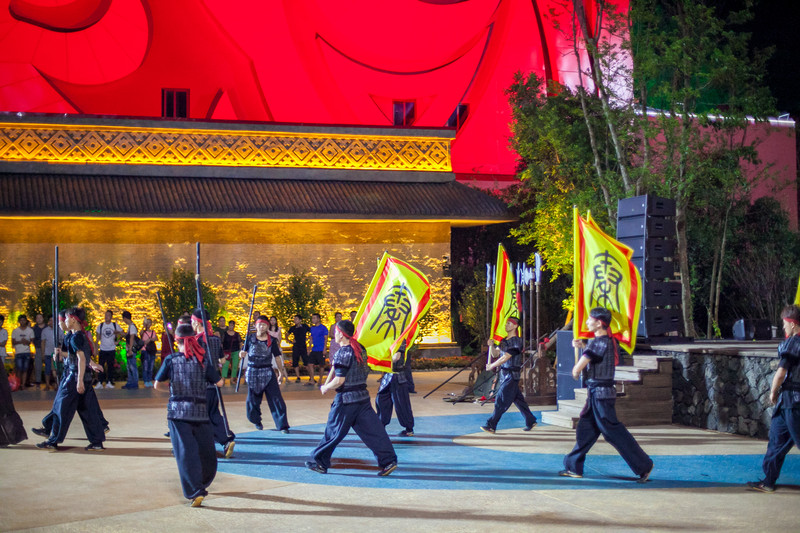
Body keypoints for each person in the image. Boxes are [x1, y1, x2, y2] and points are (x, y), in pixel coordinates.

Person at [559, 307, 653, 482]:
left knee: (611, 431)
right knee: (585, 429)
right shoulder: (602, 342)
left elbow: (587, 358)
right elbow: (593, 353)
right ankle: (573, 466)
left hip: (601, 394)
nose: (587, 321)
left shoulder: (601, 341)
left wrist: (576, 368)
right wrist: (583, 345)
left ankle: (644, 464)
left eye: (590, 319)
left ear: (599, 323)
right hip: (597, 393)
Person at [306, 319, 397, 476]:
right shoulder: (359, 348)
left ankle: (319, 462)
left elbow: (340, 380)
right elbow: (337, 367)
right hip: (362, 398)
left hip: (346, 401)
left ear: (341, 335)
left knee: (333, 432)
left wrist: (327, 386)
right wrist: (327, 379)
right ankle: (388, 460)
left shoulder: (344, 352)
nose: (334, 334)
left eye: (336, 332)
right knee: (374, 431)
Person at [154, 323, 224, 507]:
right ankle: (201, 483)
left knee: (186, 453)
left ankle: (196, 489)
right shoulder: (203, 360)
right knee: (206, 452)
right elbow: (220, 383)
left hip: (177, 413)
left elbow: (157, 384)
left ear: (176, 341)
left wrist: (172, 391)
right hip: (200, 412)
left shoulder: (171, 360)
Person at [35, 307, 106, 451]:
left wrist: (79, 381)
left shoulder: (76, 337)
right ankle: (97, 442)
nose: (65, 321)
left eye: (66, 318)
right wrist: (91, 365)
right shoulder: (79, 336)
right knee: (88, 411)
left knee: (61, 408)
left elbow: (80, 359)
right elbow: (83, 357)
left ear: (73, 320)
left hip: (74, 378)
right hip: (82, 377)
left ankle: (52, 440)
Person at [747, 304, 800, 493]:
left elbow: (781, 373)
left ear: (793, 324)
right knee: (776, 440)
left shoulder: (794, 343)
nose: (784, 327)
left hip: (794, 402)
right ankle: (768, 481)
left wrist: (772, 392)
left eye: (785, 323)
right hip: (787, 403)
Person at [480, 317, 537, 433]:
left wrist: (492, 366)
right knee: (519, 400)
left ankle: (491, 424)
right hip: (504, 374)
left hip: (512, 375)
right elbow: (496, 354)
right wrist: (491, 345)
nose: (506, 325)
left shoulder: (517, 341)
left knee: (501, 400)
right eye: (506, 323)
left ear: (515, 326)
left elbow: (506, 357)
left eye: (509, 323)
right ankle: (530, 420)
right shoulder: (503, 341)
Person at [192, 308, 235, 458]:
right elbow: (222, 360)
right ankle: (225, 440)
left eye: (192, 322)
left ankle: (201, 445)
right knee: (214, 413)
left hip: (200, 384)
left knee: (199, 416)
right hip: (214, 384)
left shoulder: (195, 341)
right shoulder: (216, 339)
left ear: (197, 324)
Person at [240, 315, 289, 432]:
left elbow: (277, 357)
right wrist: (241, 353)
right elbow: (243, 351)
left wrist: (281, 372)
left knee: (277, 399)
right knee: (252, 401)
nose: (262, 327)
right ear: (255, 325)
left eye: (264, 325)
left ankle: (283, 425)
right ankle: (256, 420)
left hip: (268, 371)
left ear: (267, 326)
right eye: (260, 324)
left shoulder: (271, 340)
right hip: (253, 372)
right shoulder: (250, 338)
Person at [375, 340, 415, 436]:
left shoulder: (400, 339)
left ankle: (409, 429)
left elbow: (396, 357)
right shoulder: (387, 338)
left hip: (397, 376)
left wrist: (382, 360)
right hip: (387, 375)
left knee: (401, 404)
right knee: (381, 400)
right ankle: (381, 426)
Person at [95, 310, 122, 389]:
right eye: (105, 315)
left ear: (111, 317)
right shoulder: (100, 325)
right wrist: (96, 348)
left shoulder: (114, 325)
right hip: (103, 349)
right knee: (100, 366)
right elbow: (97, 338)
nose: (106, 317)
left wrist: (118, 340)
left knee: (110, 366)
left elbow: (123, 333)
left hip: (111, 349)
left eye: (108, 315)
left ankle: (109, 381)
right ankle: (100, 382)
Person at [11, 315, 34, 391]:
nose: (22, 322)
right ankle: (18, 384)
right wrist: (20, 341)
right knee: (19, 369)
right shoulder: (15, 331)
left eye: (24, 320)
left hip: (26, 352)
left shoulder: (30, 330)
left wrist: (27, 342)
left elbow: (31, 341)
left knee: (25, 369)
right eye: (21, 320)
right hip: (18, 352)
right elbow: (13, 341)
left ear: (26, 321)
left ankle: (23, 384)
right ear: (19, 321)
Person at [287, 315, 312, 384]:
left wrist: (308, 338)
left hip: (303, 346)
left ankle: (311, 377)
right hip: (296, 346)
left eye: (296, 319)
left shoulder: (304, 326)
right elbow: (287, 334)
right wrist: (290, 341)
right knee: (295, 362)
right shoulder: (293, 328)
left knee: (306, 362)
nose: (295, 320)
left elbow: (311, 332)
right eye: (294, 319)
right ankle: (298, 377)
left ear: (300, 320)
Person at [308, 313, 328, 387]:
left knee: (321, 365)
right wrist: (309, 348)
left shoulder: (323, 328)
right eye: (312, 318)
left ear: (318, 319)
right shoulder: (312, 328)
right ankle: (312, 380)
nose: (313, 320)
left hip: (321, 349)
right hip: (314, 349)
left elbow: (326, 339)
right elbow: (311, 339)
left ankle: (320, 380)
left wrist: (324, 349)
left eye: (314, 318)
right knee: (310, 364)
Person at [121, 311, 139, 389]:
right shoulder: (131, 326)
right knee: (130, 366)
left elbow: (132, 337)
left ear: (125, 318)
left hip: (131, 349)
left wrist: (130, 349)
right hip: (130, 349)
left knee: (132, 366)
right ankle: (131, 382)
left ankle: (134, 382)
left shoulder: (132, 327)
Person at [221, 320, 242, 386]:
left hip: (235, 351)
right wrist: (221, 351)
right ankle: (223, 378)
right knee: (225, 365)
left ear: (234, 326)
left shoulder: (237, 334)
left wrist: (241, 351)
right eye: (230, 325)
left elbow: (240, 343)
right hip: (227, 351)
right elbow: (221, 343)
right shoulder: (225, 334)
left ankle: (233, 379)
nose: (231, 326)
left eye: (232, 325)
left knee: (235, 365)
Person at [40, 316, 57, 391]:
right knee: (47, 370)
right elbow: (43, 343)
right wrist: (43, 353)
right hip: (47, 353)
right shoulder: (45, 331)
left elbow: (62, 342)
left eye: (53, 320)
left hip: (56, 354)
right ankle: (47, 385)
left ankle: (56, 384)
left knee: (56, 370)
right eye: (50, 320)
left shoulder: (59, 330)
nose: (51, 322)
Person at [141, 318, 158, 387]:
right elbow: (141, 335)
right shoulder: (143, 332)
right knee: (145, 366)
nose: (148, 324)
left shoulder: (153, 332)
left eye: (149, 323)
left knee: (151, 366)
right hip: (145, 350)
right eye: (147, 323)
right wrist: (143, 325)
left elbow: (156, 338)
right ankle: (145, 380)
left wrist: (150, 339)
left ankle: (149, 380)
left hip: (152, 351)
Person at [31, 313, 46, 389]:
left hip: (47, 349)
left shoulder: (47, 327)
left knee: (50, 366)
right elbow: (32, 339)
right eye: (37, 318)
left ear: (43, 318)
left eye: (40, 317)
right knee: (38, 366)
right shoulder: (34, 328)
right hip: (38, 349)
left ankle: (48, 383)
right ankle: (38, 382)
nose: (39, 319)